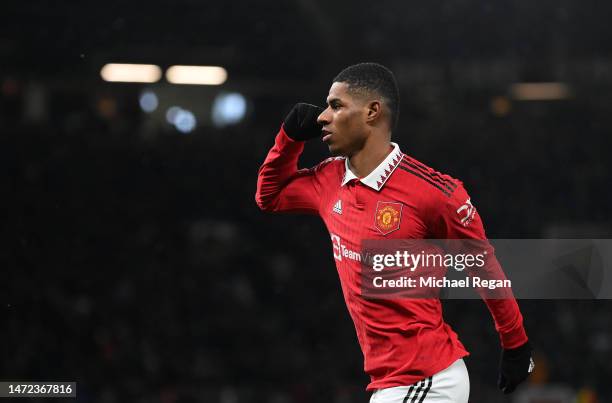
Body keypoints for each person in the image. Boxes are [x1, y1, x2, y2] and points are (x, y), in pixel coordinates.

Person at [255, 62, 533, 402]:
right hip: (392, 381)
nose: (322, 117)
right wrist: (288, 141)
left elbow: (484, 269)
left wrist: (516, 344)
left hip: (427, 378)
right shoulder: (328, 180)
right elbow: (269, 197)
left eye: (336, 105)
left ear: (373, 112)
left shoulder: (434, 193)